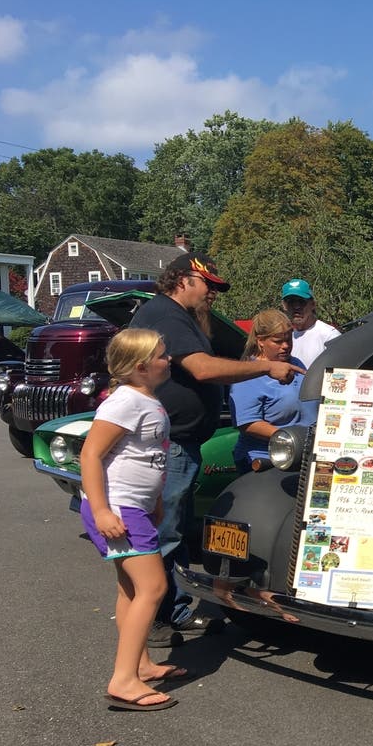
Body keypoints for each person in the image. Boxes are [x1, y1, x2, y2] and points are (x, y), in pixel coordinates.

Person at [129, 252, 303, 646]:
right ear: (184, 279)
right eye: (209, 285)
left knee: (172, 531)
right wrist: (263, 368)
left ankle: (169, 609)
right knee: (164, 534)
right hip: (169, 444)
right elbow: (204, 369)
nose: (213, 295)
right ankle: (156, 618)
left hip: (181, 443)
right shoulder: (168, 315)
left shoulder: (173, 316)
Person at [78, 329, 182, 711]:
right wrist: (103, 511)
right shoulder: (123, 402)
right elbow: (90, 455)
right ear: (141, 366)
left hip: (134, 506)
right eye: (162, 355)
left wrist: (154, 499)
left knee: (131, 589)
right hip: (118, 507)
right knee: (153, 587)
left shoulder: (144, 399)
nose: (167, 359)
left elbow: (148, 455)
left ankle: (139, 664)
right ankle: (123, 680)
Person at [229, 309, 319, 473]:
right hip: (267, 460)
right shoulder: (248, 374)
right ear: (260, 341)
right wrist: (290, 438)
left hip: (302, 457)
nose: (285, 346)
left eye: (288, 340)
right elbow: (247, 423)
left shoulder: (296, 362)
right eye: (278, 341)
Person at [281, 278, 339, 367]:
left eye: (301, 302)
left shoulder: (329, 336)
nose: (296, 307)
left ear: (312, 304)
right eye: (291, 302)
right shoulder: (285, 338)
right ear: (284, 306)